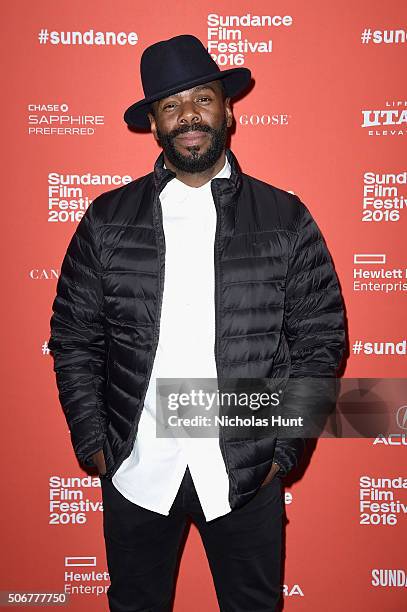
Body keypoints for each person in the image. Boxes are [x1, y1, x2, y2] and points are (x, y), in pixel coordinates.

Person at [48, 34, 346, 612]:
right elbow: (75, 338)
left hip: (244, 474)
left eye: (202, 99)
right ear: (155, 125)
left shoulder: (285, 218)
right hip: (137, 471)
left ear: (228, 110)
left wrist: (283, 451)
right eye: (171, 105)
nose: (189, 116)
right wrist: (97, 446)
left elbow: (319, 339)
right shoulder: (107, 220)